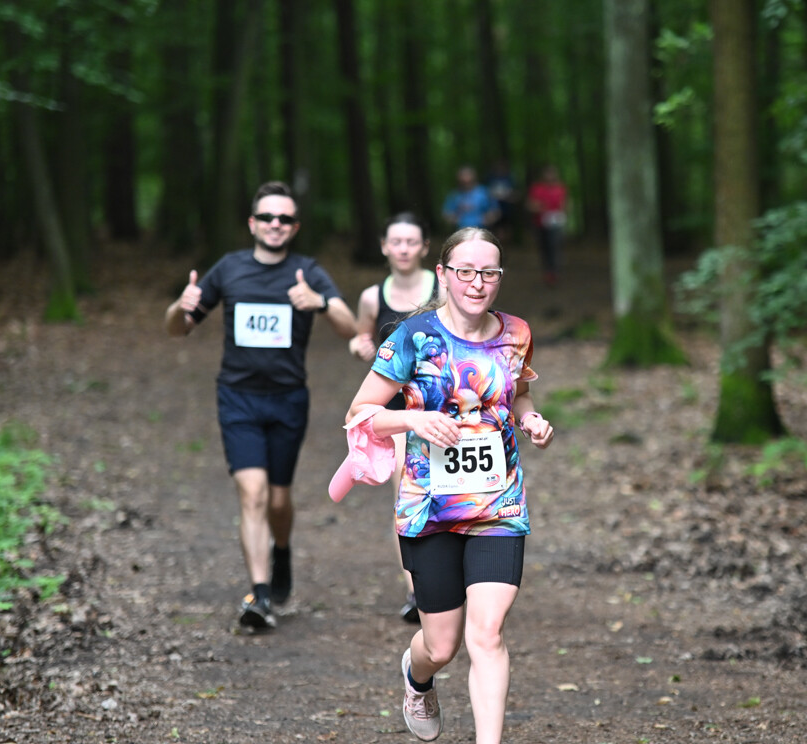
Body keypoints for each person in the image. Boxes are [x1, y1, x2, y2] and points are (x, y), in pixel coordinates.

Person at [343, 227, 554, 743]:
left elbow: (516, 396)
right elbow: (359, 414)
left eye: (489, 272)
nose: (477, 283)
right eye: (466, 271)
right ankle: (417, 678)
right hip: (429, 509)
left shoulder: (516, 332)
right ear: (443, 274)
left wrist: (529, 420)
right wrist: (413, 422)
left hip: (498, 505)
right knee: (441, 646)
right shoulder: (414, 338)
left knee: (487, 634)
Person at [164, 180, 356, 630]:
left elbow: (349, 327)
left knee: (279, 499)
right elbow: (178, 328)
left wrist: (321, 301)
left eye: (284, 218)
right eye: (267, 217)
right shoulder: (229, 269)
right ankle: (260, 594)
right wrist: (179, 306)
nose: (275, 224)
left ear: (295, 227)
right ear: (252, 223)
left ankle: (282, 551)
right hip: (238, 398)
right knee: (252, 493)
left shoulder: (308, 272)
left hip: (289, 400)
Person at [347, 212, 438, 624]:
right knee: (408, 491)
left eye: (411, 241)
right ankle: (417, 591)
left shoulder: (444, 289)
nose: (403, 249)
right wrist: (359, 348)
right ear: (384, 246)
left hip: (441, 407)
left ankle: (451, 580)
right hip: (397, 414)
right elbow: (362, 337)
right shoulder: (371, 297)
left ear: (424, 247)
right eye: (395, 242)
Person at [525, 164, 568, 286]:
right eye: (548, 174)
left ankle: (554, 272)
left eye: (552, 173)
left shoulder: (560, 188)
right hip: (540, 224)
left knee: (554, 246)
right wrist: (539, 207)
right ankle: (547, 271)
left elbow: (565, 204)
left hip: (556, 223)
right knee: (544, 247)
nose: (550, 176)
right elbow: (530, 205)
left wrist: (562, 212)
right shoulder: (537, 189)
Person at [441, 165, 498, 230]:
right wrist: (455, 220)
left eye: (468, 175)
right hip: (461, 232)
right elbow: (446, 213)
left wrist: (487, 219)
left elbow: (495, 211)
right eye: (463, 176)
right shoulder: (454, 195)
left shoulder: (484, 192)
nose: (466, 179)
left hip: (482, 231)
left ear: (474, 177)